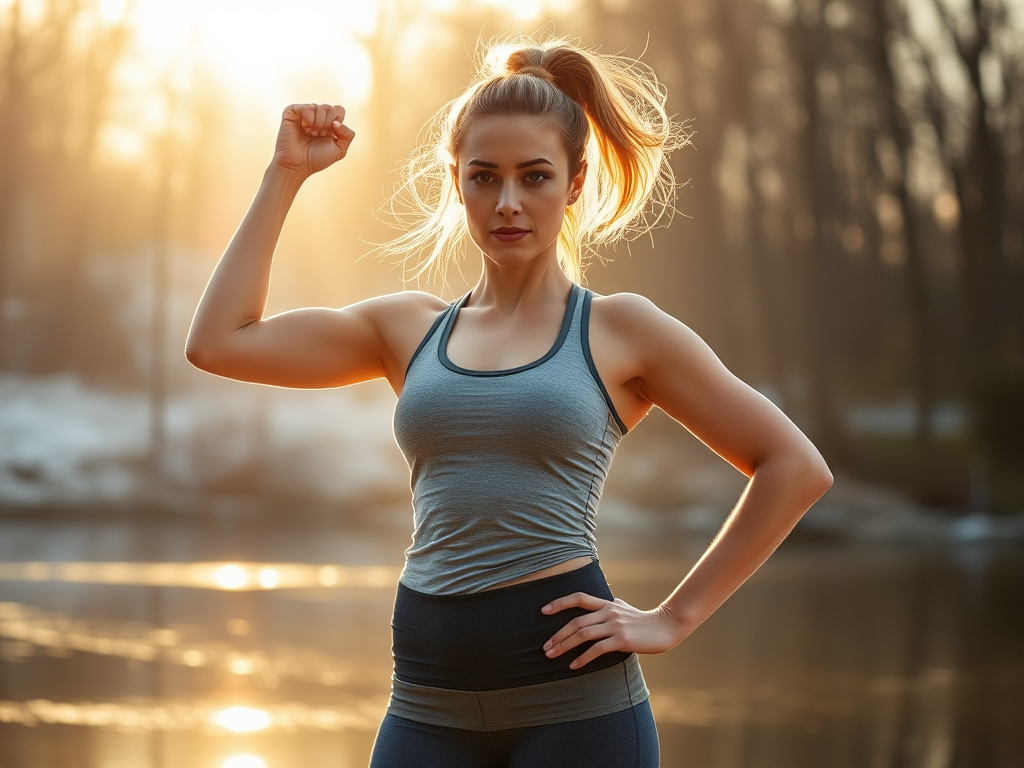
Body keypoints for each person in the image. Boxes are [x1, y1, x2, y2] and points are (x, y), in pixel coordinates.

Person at [185, 36, 833, 768]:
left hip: (575, 710)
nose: (508, 203)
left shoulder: (622, 329)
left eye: (535, 176)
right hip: (425, 703)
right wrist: (285, 175)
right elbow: (220, 343)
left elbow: (794, 466)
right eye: (484, 177)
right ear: (456, 181)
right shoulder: (407, 329)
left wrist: (673, 618)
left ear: (575, 183)